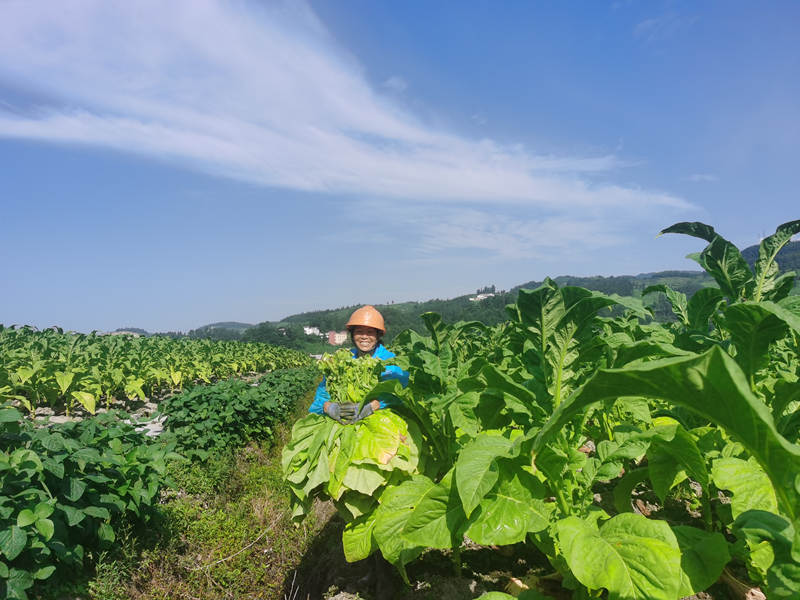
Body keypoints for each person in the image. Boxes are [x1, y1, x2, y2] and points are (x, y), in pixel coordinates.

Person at [308, 305, 409, 423]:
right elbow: (320, 398)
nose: (364, 337)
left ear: (378, 335)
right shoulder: (341, 362)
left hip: (381, 420)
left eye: (370, 332)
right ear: (352, 335)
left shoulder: (391, 362)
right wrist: (329, 407)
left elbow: (401, 397)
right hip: (341, 422)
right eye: (359, 332)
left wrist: (371, 406)